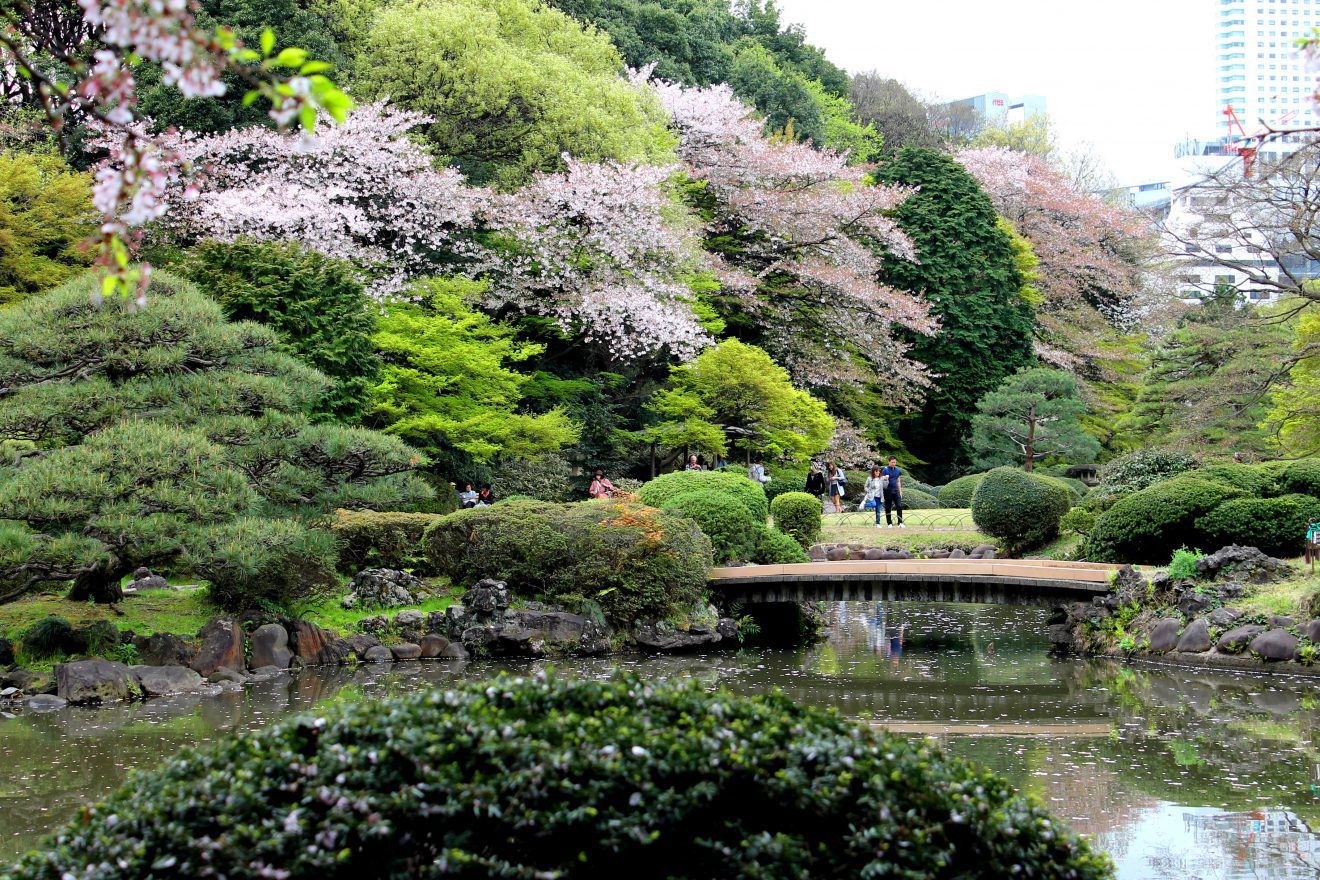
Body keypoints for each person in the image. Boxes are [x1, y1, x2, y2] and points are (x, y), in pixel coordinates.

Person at [879, 456, 904, 527]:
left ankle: (900, 523)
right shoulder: (885, 470)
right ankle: (889, 523)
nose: (894, 463)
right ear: (889, 462)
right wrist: (885, 479)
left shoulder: (898, 470)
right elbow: (881, 481)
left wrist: (900, 491)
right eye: (892, 462)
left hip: (896, 490)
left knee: (899, 506)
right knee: (888, 507)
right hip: (888, 491)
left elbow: (898, 481)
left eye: (895, 462)